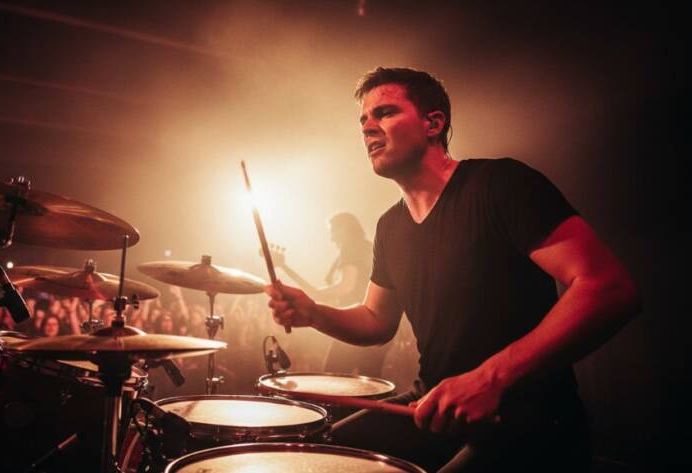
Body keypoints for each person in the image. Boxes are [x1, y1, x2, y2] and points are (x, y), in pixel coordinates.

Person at [265, 67, 641, 472]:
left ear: (433, 123)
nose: (368, 128)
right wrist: (313, 312)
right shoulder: (390, 227)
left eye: (385, 113)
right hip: (435, 406)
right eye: (363, 120)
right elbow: (376, 321)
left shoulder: (500, 185)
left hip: (527, 417)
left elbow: (607, 287)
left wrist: (490, 378)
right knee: (316, 458)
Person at [268, 212, 390, 377]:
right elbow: (320, 293)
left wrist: (316, 296)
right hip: (377, 329)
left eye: (333, 231)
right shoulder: (368, 247)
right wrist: (285, 267)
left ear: (345, 229)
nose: (332, 238)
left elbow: (346, 286)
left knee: (333, 380)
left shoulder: (351, 247)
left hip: (354, 323)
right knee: (372, 386)